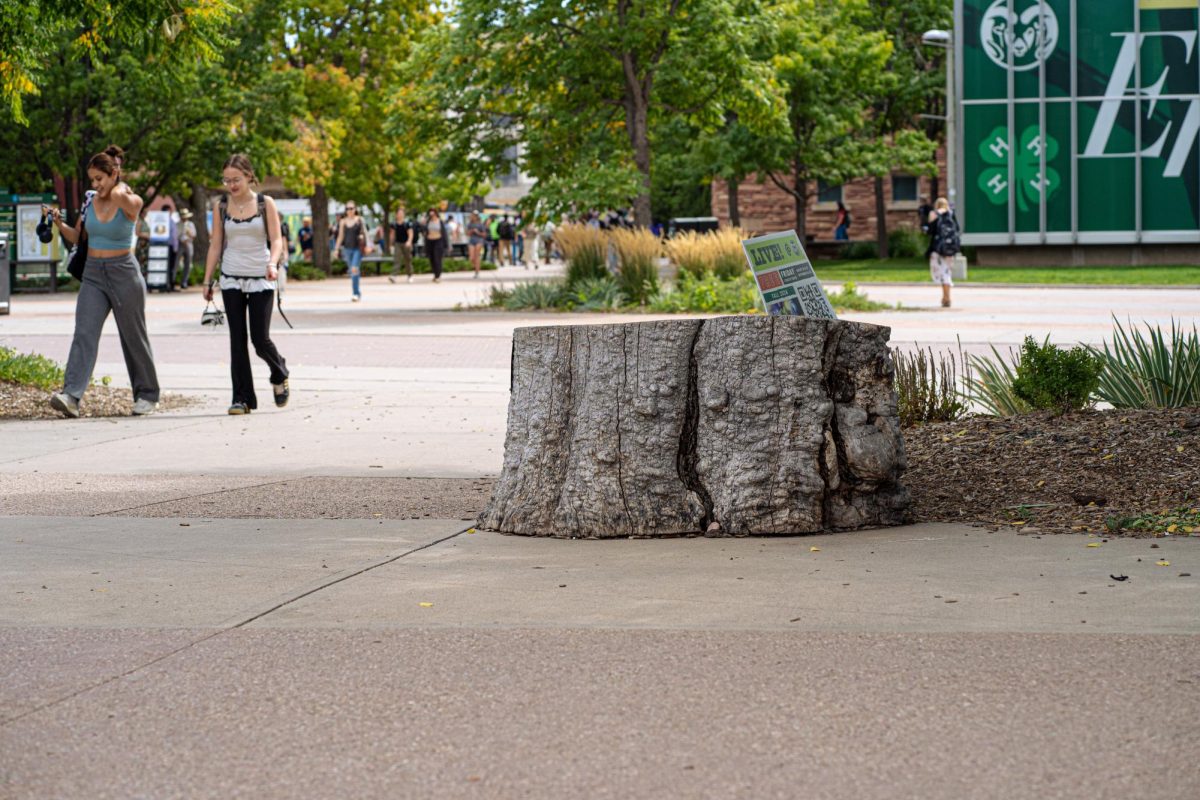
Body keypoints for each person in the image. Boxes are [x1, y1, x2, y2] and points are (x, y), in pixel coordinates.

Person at [47, 145, 159, 418]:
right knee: (84, 332)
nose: (96, 185)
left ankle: (146, 395)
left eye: (100, 179)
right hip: (94, 273)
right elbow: (78, 238)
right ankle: (71, 396)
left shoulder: (128, 198)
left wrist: (119, 189)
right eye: (93, 180)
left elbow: (135, 206)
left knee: (133, 336)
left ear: (114, 174)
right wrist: (59, 223)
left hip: (123, 272)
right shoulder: (90, 201)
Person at [201, 154, 290, 415]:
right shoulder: (220, 206)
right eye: (226, 180)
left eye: (236, 179)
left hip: (261, 277)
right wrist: (208, 280)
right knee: (236, 340)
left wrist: (273, 263)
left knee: (259, 339)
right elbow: (216, 244)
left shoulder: (265, 203)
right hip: (231, 277)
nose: (231, 185)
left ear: (249, 176)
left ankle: (279, 371)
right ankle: (242, 398)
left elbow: (276, 240)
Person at [926, 197, 959, 308]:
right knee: (947, 272)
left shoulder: (934, 213)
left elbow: (930, 231)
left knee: (940, 273)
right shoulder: (951, 213)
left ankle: (946, 297)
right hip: (950, 248)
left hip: (938, 249)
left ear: (937, 205)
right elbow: (957, 229)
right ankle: (946, 297)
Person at [335, 201, 366, 301]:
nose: (350, 210)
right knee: (353, 271)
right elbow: (340, 236)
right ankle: (357, 292)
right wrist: (336, 249)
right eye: (347, 208)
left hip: (358, 248)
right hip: (347, 249)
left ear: (355, 209)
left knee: (354, 268)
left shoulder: (360, 220)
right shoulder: (343, 221)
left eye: (351, 208)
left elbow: (365, 233)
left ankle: (355, 293)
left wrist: (369, 245)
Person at [389, 206, 415, 283]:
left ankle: (410, 275)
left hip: (406, 243)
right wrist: (390, 244)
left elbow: (410, 233)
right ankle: (393, 276)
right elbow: (392, 234)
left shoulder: (407, 223)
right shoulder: (394, 224)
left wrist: (409, 241)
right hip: (398, 243)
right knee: (397, 259)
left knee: (408, 260)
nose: (400, 215)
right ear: (396, 214)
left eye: (401, 213)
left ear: (404, 214)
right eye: (398, 213)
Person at [423, 207, 448, 283]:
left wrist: (446, 244)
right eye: (430, 212)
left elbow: (444, 233)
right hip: (430, 241)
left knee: (437, 258)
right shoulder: (428, 221)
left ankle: (438, 275)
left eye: (433, 212)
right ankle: (435, 274)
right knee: (432, 259)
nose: (431, 213)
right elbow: (424, 231)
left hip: (438, 241)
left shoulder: (440, 221)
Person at [177, 208, 196, 289]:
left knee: (188, 264)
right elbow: (176, 235)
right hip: (180, 244)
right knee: (176, 263)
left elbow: (194, 235)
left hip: (188, 244)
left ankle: (184, 282)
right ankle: (173, 280)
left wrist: (189, 233)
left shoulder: (191, 224)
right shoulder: (177, 224)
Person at [466, 210, 487, 279]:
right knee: (471, 257)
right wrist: (472, 231)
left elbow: (484, 235)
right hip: (472, 240)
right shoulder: (469, 224)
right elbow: (467, 234)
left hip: (479, 240)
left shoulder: (481, 224)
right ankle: (475, 267)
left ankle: (477, 272)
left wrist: (478, 232)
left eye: (475, 215)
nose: (473, 217)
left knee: (477, 256)